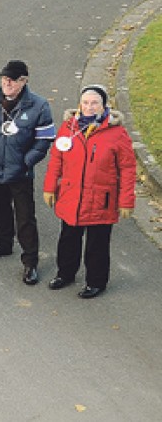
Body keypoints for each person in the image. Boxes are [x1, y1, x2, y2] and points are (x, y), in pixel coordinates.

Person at [42, 85, 136, 299]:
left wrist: (126, 201)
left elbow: (128, 168)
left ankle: (96, 281)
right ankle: (65, 274)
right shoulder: (68, 128)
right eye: (85, 103)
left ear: (104, 106)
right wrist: (50, 187)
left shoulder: (117, 134)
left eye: (95, 103)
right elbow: (56, 160)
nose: (89, 107)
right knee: (68, 239)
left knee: (97, 244)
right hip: (71, 196)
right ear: (79, 105)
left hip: (101, 199)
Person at [0, 61, 55, 286]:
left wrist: (26, 162)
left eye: (13, 80)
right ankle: (3, 244)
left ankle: (30, 262)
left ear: (24, 81)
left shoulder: (38, 106)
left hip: (20, 172)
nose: (7, 83)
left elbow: (44, 139)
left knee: (25, 217)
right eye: (4, 79)